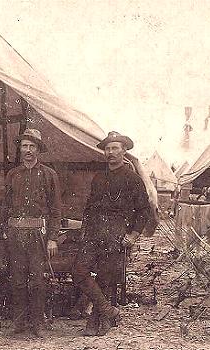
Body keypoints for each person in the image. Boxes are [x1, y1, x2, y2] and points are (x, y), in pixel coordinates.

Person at [72, 131, 150, 336]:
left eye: (115, 148)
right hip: (94, 231)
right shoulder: (98, 177)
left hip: (116, 232)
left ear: (124, 151)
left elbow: (144, 210)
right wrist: (84, 231)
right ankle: (108, 311)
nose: (111, 152)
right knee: (79, 272)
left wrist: (133, 235)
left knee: (105, 279)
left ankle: (96, 322)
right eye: (107, 148)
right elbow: (89, 207)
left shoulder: (132, 178)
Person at [0, 128, 62, 338]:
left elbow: (56, 210)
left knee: (37, 281)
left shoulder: (49, 175)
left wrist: (52, 238)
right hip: (16, 235)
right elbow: (5, 207)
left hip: (38, 236)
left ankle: (38, 323)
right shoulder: (13, 174)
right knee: (17, 280)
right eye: (24, 146)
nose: (28, 150)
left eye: (32, 146)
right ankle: (19, 322)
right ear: (20, 149)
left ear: (39, 149)